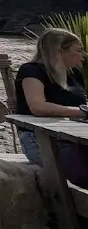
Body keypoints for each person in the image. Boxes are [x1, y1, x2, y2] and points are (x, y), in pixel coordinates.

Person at [15, 28, 88, 187]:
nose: (83, 56)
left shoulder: (74, 75)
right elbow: (37, 106)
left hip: (74, 136)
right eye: (78, 50)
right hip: (42, 140)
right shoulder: (32, 71)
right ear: (58, 50)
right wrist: (82, 112)